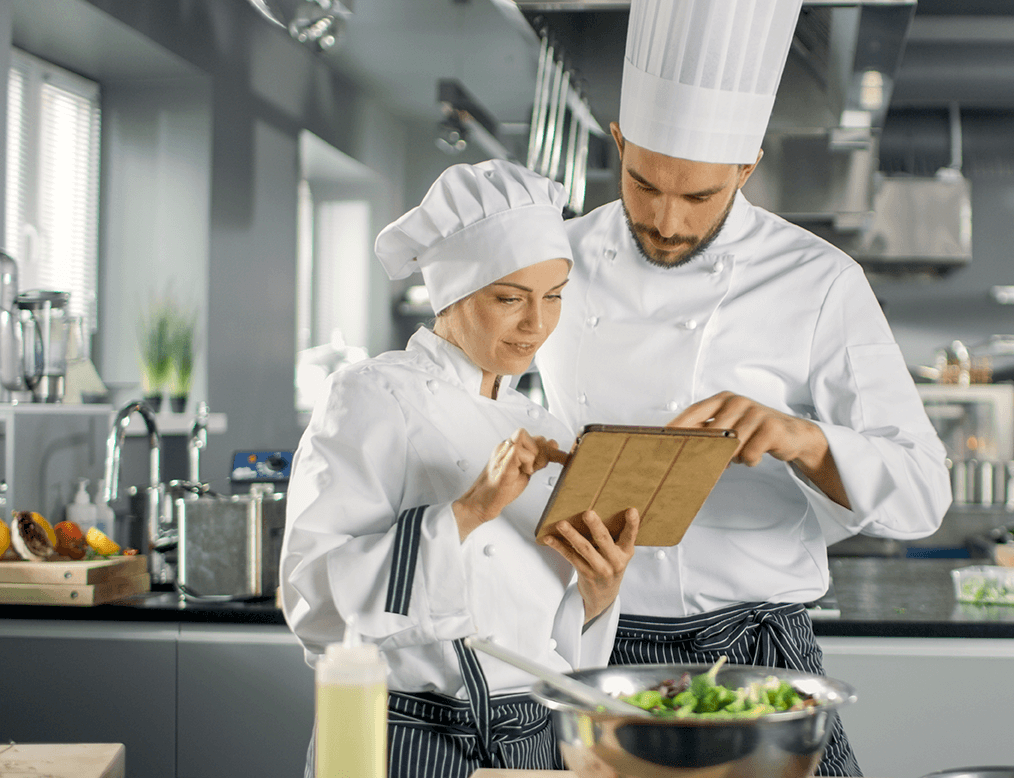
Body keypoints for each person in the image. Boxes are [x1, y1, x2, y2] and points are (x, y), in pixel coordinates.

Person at [534, 0, 951, 775]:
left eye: (698, 197)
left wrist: (803, 439)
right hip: (591, 636)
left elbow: (923, 494)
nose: (664, 219)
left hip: (759, 646)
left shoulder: (820, 281)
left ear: (746, 167)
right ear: (618, 142)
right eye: (643, 182)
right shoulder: (551, 264)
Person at [281, 159, 640, 778]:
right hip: (405, 740)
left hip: (534, 740)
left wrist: (598, 592)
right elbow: (312, 601)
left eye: (553, 297)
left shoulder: (547, 430)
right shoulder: (370, 397)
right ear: (452, 294)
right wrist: (470, 511)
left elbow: (548, 638)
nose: (536, 323)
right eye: (510, 298)